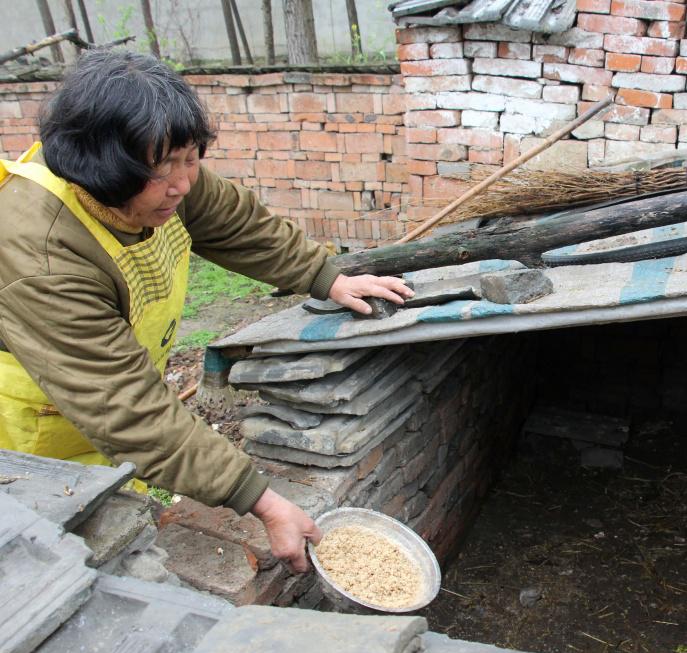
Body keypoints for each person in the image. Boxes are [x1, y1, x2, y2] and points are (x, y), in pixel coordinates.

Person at [0, 50, 413, 572]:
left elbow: (237, 224)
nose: (183, 184)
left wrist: (327, 277)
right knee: (52, 559)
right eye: (162, 168)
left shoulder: (159, 177)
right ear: (100, 172)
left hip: (106, 393)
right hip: (31, 430)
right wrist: (260, 500)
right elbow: (127, 408)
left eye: (190, 158)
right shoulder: (43, 256)